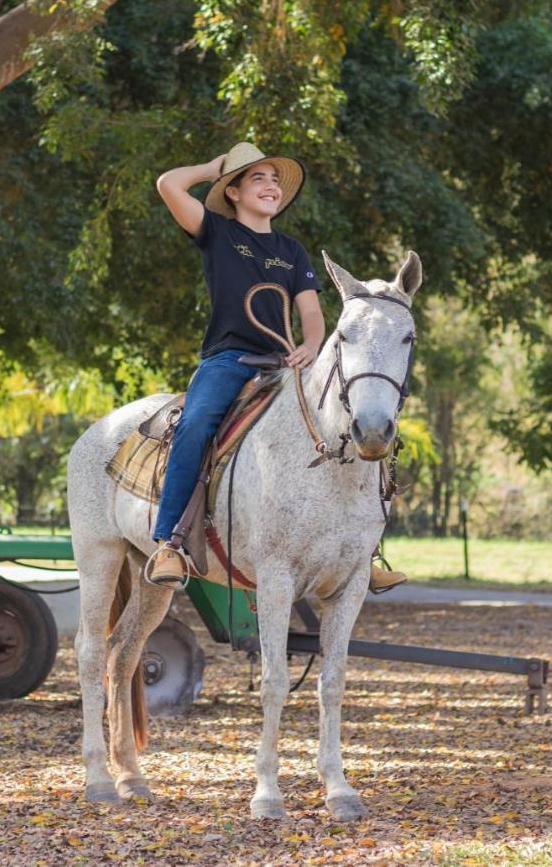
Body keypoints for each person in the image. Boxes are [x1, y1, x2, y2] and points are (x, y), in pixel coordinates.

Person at [146, 141, 407, 594]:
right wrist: (215, 166)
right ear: (233, 192)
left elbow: (310, 313)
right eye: (257, 179)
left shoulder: (293, 251)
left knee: (353, 418)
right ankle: (170, 541)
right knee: (196, 424)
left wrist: (310, 344)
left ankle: (367, 550)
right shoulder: (217, 232)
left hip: (284, 360)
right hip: (229, 360)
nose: (270, 187)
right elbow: (168, 184)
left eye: (273, 180)